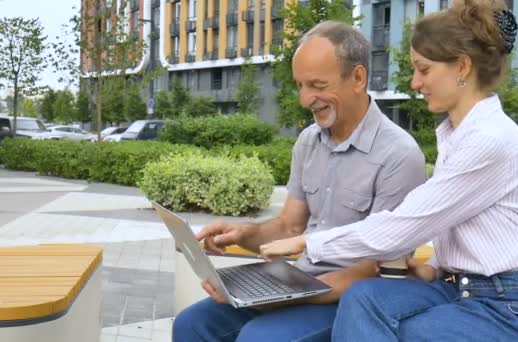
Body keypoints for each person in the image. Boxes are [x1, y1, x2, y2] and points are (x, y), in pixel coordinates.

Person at [259, 1, 518, 341]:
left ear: (462, 67)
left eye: (423, 69)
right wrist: (434, 266)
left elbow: (404, 225)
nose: (415, 82)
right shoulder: (458, 134)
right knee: (365, 298)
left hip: (515, 310)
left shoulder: (489, 140)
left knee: (405, 330)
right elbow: (472, 231)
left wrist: (308, 243)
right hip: (462, 290)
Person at [172, 21, 427, 342]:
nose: (306, 99)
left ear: (358, 78)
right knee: (191, 324)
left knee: (258, 338)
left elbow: (373, 271)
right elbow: (290, 227)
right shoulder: (308, 141)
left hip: (350, 299)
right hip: (298, 282)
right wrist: (242, 233)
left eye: (318, 85)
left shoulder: (399, 155)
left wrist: (278, 297)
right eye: (300, 85)